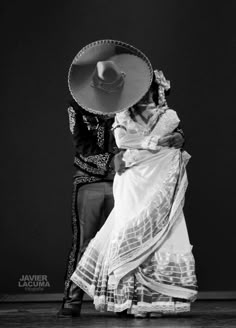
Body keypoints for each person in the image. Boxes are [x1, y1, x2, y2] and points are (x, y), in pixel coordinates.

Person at [58, 40, 186, 317]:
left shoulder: (137, 98)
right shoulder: (78, 108)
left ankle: (124, 300)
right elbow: (82, 146)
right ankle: (72, 299)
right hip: (91, 180)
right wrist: (112, 162)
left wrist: (177, 138)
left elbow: (163, 125)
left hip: (132, 181)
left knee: (129, 237)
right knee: (86, 240)